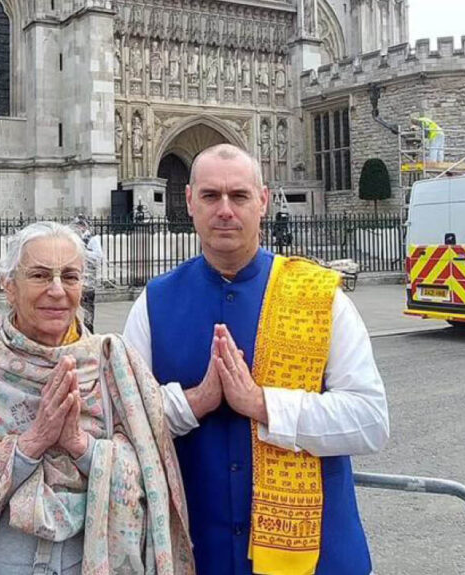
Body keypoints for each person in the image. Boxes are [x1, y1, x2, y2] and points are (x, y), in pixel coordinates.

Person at [123, 144, 389, 575]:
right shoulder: (153, 304)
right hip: (194, 556)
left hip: (316, 558)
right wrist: (195, 402)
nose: (225, 210)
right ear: (189, 201)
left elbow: (371, 421)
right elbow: (124, 423)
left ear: (263, 201)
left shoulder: (321, 298)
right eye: (210, 196)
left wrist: (262, 403)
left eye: (239, 196)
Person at [0, 222, 194, 575]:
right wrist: (32, 443)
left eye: (70, 277)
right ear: (9, 286)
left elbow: (152, 480)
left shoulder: (113, 363)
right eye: (39, 275)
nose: (57, 290)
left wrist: (81, 446)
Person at [72, 215, 103, 333]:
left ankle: (89, 329)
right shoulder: (75, 239)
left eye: (80, 225)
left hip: (89, 277)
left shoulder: (93, 239)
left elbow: (98, 255)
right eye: (77, 225)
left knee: (88, 305)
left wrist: (84, 252)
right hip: (77, 276)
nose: (79, 227)